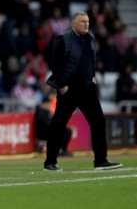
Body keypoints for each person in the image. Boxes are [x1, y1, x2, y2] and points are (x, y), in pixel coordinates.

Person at [45, 11, 122, 171]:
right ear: (73, 24)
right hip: (69, 89)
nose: (86, 24)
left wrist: (92, 77)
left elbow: (91, 61)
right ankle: (50, 162)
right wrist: (62, 86)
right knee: (59, 124)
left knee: (99, 122)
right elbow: (55, 64)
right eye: (82, 21)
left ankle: (101, 161)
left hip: (86, 89)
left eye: (87, 21)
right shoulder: (63, 39)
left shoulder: (91, 39)